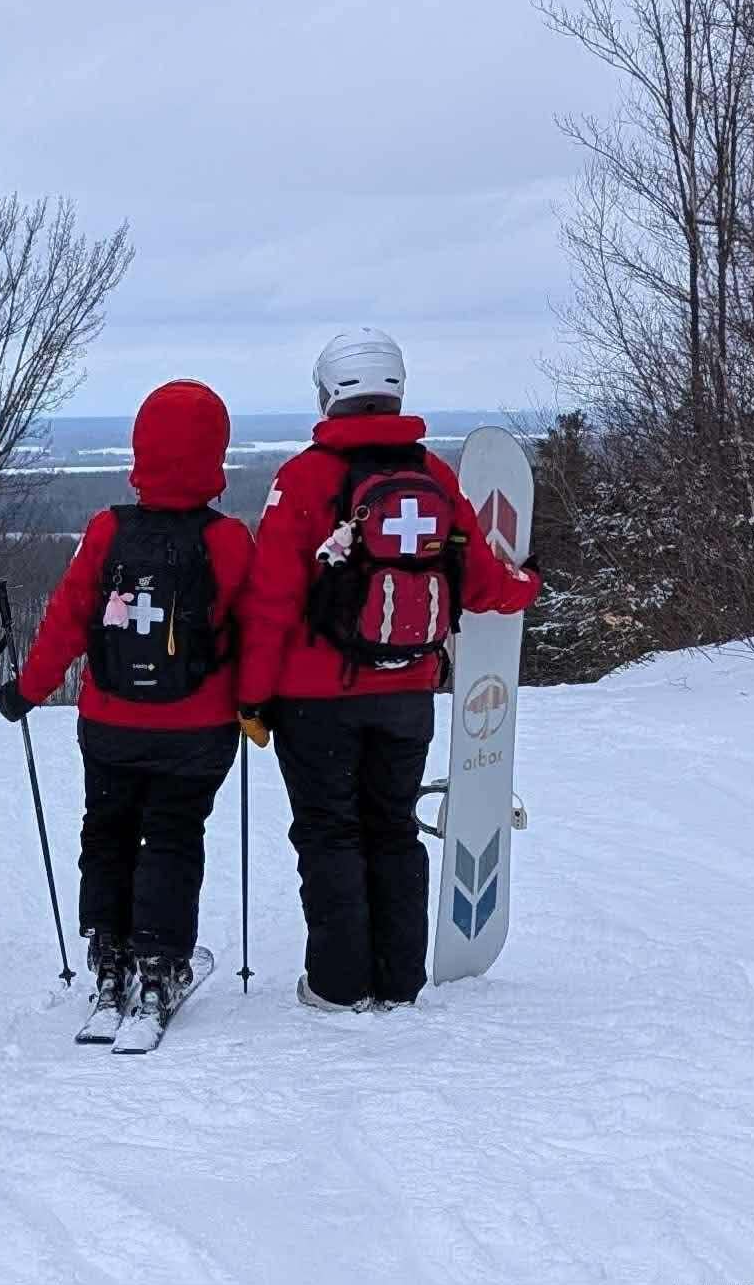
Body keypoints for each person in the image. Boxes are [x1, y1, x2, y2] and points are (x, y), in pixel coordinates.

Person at [238, 328, 540, 1012]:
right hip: (408, 692)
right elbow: (482, 581)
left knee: (329, 832)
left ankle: (338, 984)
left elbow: (270, 601)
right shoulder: (434, 476)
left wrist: (252, 697)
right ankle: (398, 980)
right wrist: (528, 584)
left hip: (315, 701)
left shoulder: (303, 479)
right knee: (393, 828)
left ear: (328, 392)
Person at [0, 380, 253, 1037]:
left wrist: (28, 689)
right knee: (173, 835)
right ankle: (160, 965)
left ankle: (109, 960)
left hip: (110, 722)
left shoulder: (107, 531)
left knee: (107, 830)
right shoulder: (228, 541)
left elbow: (66, 620)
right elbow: (254, 630)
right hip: (198, 729)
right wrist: (256, 702)